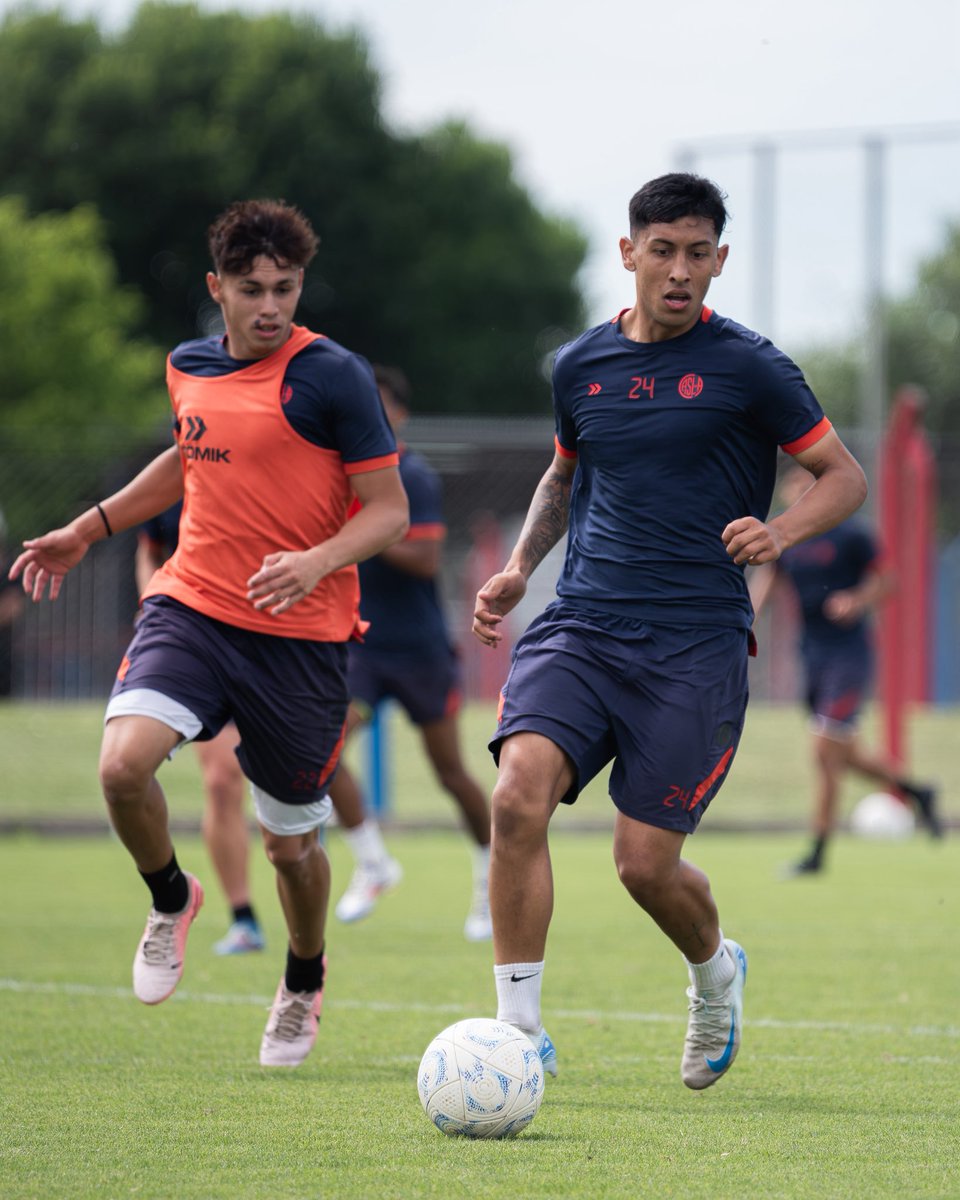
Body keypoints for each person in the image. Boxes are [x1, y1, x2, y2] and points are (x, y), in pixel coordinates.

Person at [472, 172, 868, 1090]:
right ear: (630, 254)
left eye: (698, 253)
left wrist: (780, 532)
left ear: (720, 261)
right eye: (663, 251)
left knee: (644, 866)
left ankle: (715, 973)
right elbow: (562, 477)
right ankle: (517, 1035)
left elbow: (843, 476)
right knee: (515, 795)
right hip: (582, 626)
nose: (680, 270)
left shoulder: (752, 367)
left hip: (695, 647)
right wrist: (521, 568)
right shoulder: (579, 365)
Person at [10, 198, 409, 1068]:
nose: (270, 306)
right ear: (216, 288)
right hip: (191, 608)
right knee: (121, 767)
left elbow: (388, 512)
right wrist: (89, 527)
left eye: (286, 289)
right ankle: (170, 896)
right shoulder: (188, 364)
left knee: (291, 848)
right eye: (251, 288)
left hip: (300, 639)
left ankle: (303, 977)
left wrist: (314, 560)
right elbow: (188, 457)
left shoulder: (334, 376)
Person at [327, 365, 493, 940]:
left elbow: (424, 558)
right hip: (362, 650)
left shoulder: (412, 477)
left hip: (421, 651)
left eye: (375, 407)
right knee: (321, 752)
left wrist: (363, 527)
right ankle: (374, 863)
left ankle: (490, 882)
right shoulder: (339, 475)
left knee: (451, 773)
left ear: (397, 414)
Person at [751, 463, 942, 876]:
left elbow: (887, 581)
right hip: (813, 658)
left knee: (825, 751)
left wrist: (856, 601)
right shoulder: (788, 540)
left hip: (848, 657)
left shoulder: (852, 535)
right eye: (791, 484)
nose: (793, 490)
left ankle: (817, 854)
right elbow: (766, 584)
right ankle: (918, 792)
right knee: (844, 754)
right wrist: (742, 625)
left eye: (803, 482)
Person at [136, 501, 266, 953]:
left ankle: (309, 924)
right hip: (198, 646)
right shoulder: (173, 476)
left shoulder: (262, 464)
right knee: (221, 780)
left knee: (286, 790)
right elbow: (149, 548)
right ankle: (243, 917)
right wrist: (152, 605)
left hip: (274, 645)